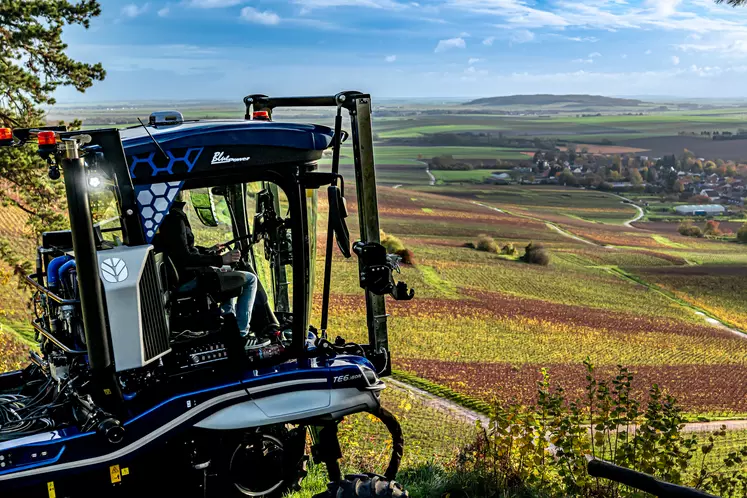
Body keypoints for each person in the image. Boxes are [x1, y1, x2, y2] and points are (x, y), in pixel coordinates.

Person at [155, 190, 258, 337]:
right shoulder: (174, 219)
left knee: (228, 272)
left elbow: (183, 249)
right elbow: (185, 258)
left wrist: (209, 251)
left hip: (187, 275)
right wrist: (220, 260)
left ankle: (228, 323)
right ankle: (241, 333)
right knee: (250, 279)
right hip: (188, 279)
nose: (185, 192)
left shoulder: (170, 217)